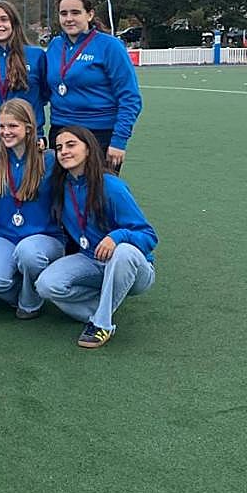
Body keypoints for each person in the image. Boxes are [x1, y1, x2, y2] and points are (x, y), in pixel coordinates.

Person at [36, 126, 157, 348]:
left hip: (133, 268)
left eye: (71, 145)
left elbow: (149, 236)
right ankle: (103, 309)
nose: (64, 151)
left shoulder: (111, 186)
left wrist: (117, 236)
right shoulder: (62, 187)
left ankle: (102, 325)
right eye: (60, 147)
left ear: (89, 150)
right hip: (90, 259)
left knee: (124, 251)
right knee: (46, 284)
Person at [0, 99, 64, 319]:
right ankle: (27, 289)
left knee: (29, 253)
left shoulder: (50, 160)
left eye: (12, 126)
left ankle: (30, 303)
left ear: (28, 128)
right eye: (1, 127)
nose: (6, 132)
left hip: (45, 238)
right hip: (7, 236)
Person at [44, 0, 141, 170]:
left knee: (97, 194)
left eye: (75, 12)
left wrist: (119, 141)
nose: (69, 18)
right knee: (61, 194)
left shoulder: (110, 46)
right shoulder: (55, 45)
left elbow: (130, 97)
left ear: (89, 15)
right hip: (61, 132)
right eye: (63, 13)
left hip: (99, 134)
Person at [0, 0, 46, 149]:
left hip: (29, 140)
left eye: (4, 19)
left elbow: (44, 94)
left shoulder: (36, 56)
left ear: (14, 23)